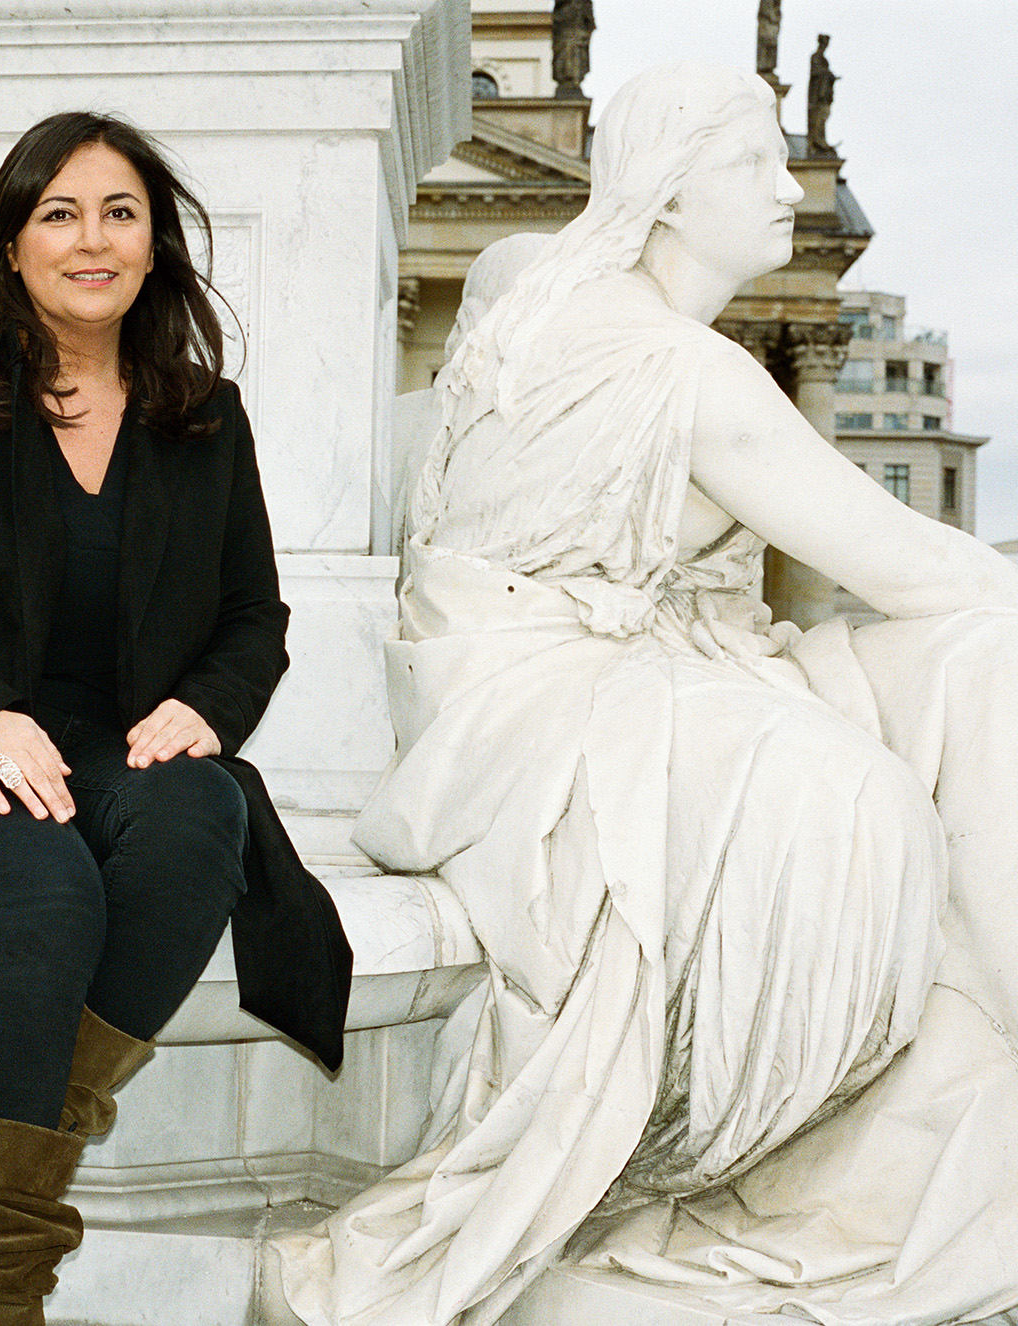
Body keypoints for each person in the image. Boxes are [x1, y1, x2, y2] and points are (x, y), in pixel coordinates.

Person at [274, 62, 1018, 1326]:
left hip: (523, 677)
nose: (791, 191)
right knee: (925, 726)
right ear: (668, 192)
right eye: (753, 166)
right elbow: (907, 562)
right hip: (564, 696)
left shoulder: (519, 282)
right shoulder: (692, 378)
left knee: (977, 666)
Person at [0, 111, 351, 1324]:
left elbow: (255, 615)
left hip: (114, 748)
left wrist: (207, 705)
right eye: (61, 212)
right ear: (15, 241)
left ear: (154, 245)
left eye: (119, 213)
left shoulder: (204, 417)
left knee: (201, 817)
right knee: (42, 887)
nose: (92, 239)